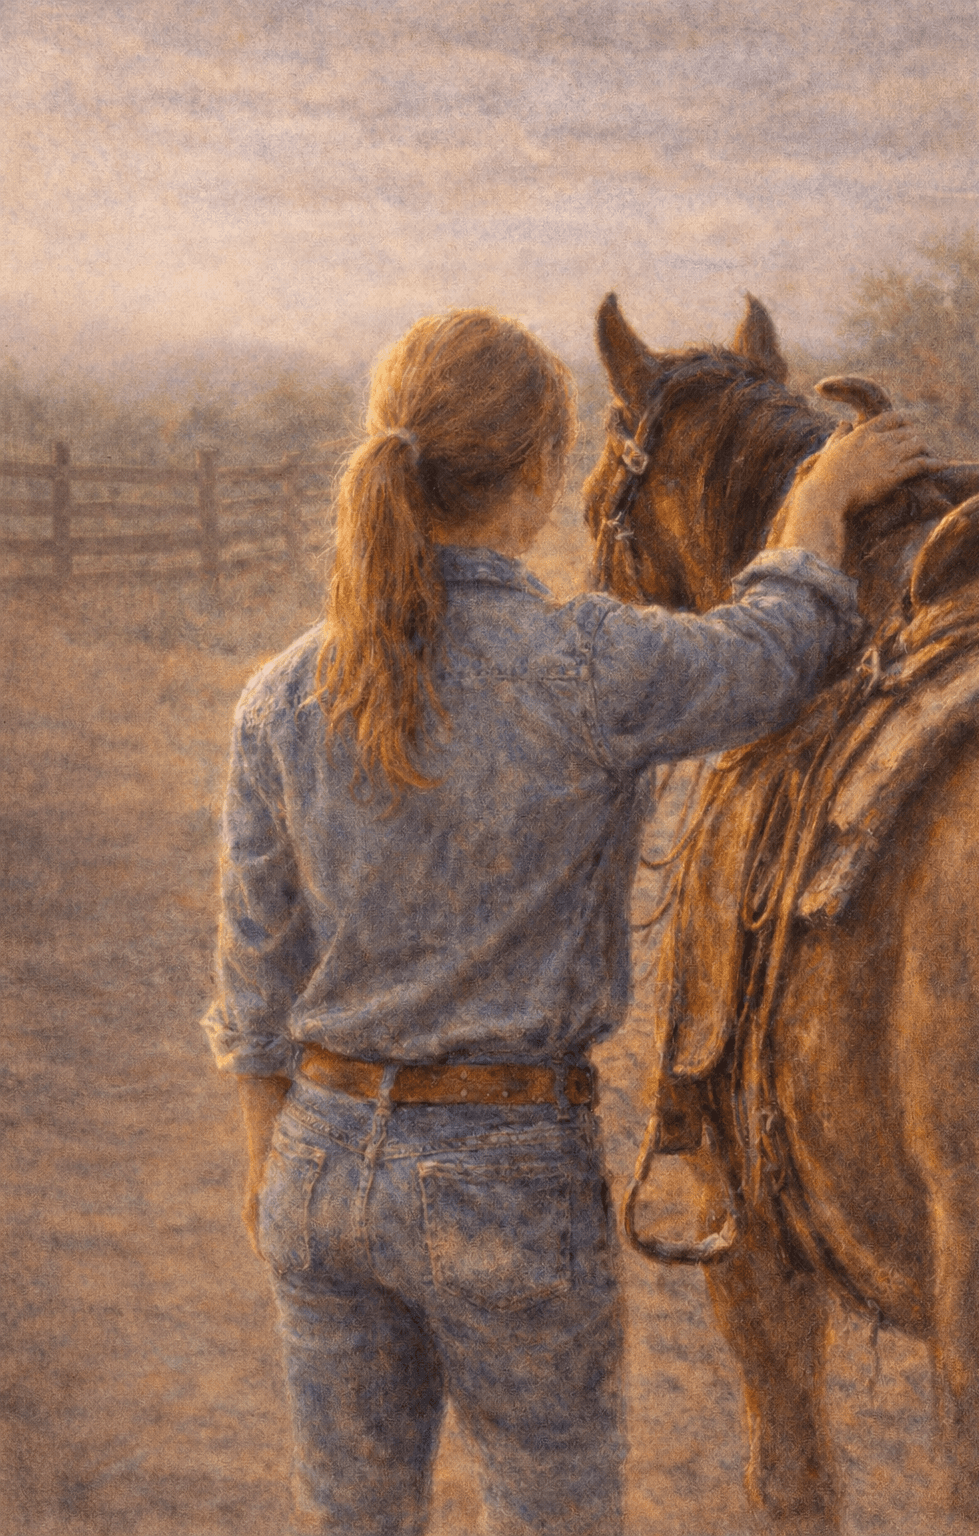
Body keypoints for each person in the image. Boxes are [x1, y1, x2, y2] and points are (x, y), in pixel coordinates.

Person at [202, 308, 936, 1536]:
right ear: (542, 477)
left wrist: (271, 1165)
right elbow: (777, 649)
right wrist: (813, 512)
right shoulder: (586, 663)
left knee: (349, 1519)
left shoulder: (280, 694)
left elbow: (256, 978)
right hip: (505, 1167)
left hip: (317, 1161)